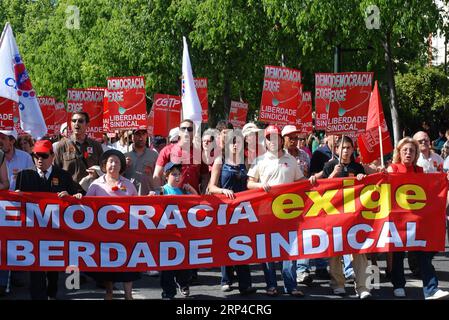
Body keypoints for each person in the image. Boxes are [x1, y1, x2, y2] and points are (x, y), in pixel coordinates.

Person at [15, 140, 83, 300]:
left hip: (56, 232)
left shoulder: (64, 176)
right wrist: (15, 196)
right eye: (36, 155)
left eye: (44, 156)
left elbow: (78, 198)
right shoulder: (25, 175)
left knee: (53, 268)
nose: (39, 159)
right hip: (33, 232)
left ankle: (52, 292)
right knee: (36, 268)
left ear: (52, 157)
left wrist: (71, 197)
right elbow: (15, 202)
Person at [387, 137, 449, 299]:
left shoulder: (419, 171)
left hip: (416, 220)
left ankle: (431, 289)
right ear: (399, 153)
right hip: (397, 220)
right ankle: (398, 284)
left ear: (416, 155)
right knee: (399, 253)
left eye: (412, 151)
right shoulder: (391, 169)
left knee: (423, 252)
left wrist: (444, 181)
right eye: (405, 150)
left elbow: (430, 190)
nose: (408, 153)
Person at [247, 125, 305, 297]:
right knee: (268, 250)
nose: (272, 141)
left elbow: (301, 182)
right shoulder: (259, 160)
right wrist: (259, 185)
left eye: (276, 138)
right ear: (265, 141)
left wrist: (314, 180)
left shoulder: (291, 160)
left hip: (288, 212)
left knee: (290, 248)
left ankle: (291, 285)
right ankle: (271, 285)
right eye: (268, 138)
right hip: (266, 213)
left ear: (281, 140)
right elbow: (249, 183)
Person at [320, 136, 371, 299]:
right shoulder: (329, 166)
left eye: (349, 147)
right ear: (336, 150)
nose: (346, 150)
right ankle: (338, 284)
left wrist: (363, 179)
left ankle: (362, 286)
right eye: (343, 147)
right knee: (335, 249)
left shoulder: (358, 167)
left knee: (358, 249)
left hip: (354, 213)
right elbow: (322, 189)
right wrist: (333, 175)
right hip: (334, 213)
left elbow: (365, 188)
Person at [86, 149, 140, 300]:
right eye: (110, 161)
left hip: (125, 234)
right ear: (104, 164)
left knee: (127, 265)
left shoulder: (128, 185)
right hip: (105, 234)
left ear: (121, 165)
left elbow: (138, 206)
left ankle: (129, 295)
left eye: (117, 162)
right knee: (108, 267)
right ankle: (109, 292)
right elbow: (86, 208)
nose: (113, 164)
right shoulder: (96, 185)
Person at [208, 129, 257, 295]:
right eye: (233, 142)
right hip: (225, 209)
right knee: (226, 243)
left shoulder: (246, 162)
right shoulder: (220, 161)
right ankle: (226, 280)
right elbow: (211, 187)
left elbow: (251, 182)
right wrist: (223, 191)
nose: (235, 145)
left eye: (238, 142)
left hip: (243, 210)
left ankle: (245, 283)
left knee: (242, 244)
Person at [155, 162, 198, 299]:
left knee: (184, 262)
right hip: (167, 234)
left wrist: (191, 189)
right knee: (167, 265)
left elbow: (198, 202)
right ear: (166, 176)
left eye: (179, 174)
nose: (177, 176)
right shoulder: (163, 190)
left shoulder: (183, 191)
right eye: (173, 174)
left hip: (182, 233)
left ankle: (183, 284)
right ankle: (168, 291)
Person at [54, 112, 103, 183]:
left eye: (80, 121)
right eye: (74, 121)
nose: (76, 123)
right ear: (71, 124)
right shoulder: (62, 145)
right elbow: (55, 170)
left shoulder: (96, 146)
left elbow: (103, 169)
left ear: (87, 125)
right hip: (70, 191)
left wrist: (97, 174)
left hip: (90, 190)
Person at [124, 129, 158, 195]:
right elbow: (118, 178)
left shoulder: (154, 155)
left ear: (146, 136)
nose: (141, 137)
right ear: (132, 137)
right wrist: (124, 166)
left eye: (143, 134)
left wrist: (157, 191)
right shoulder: (125, 155)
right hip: (129, 195)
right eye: (138, 134)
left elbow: (158, 176)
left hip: (149, 196)